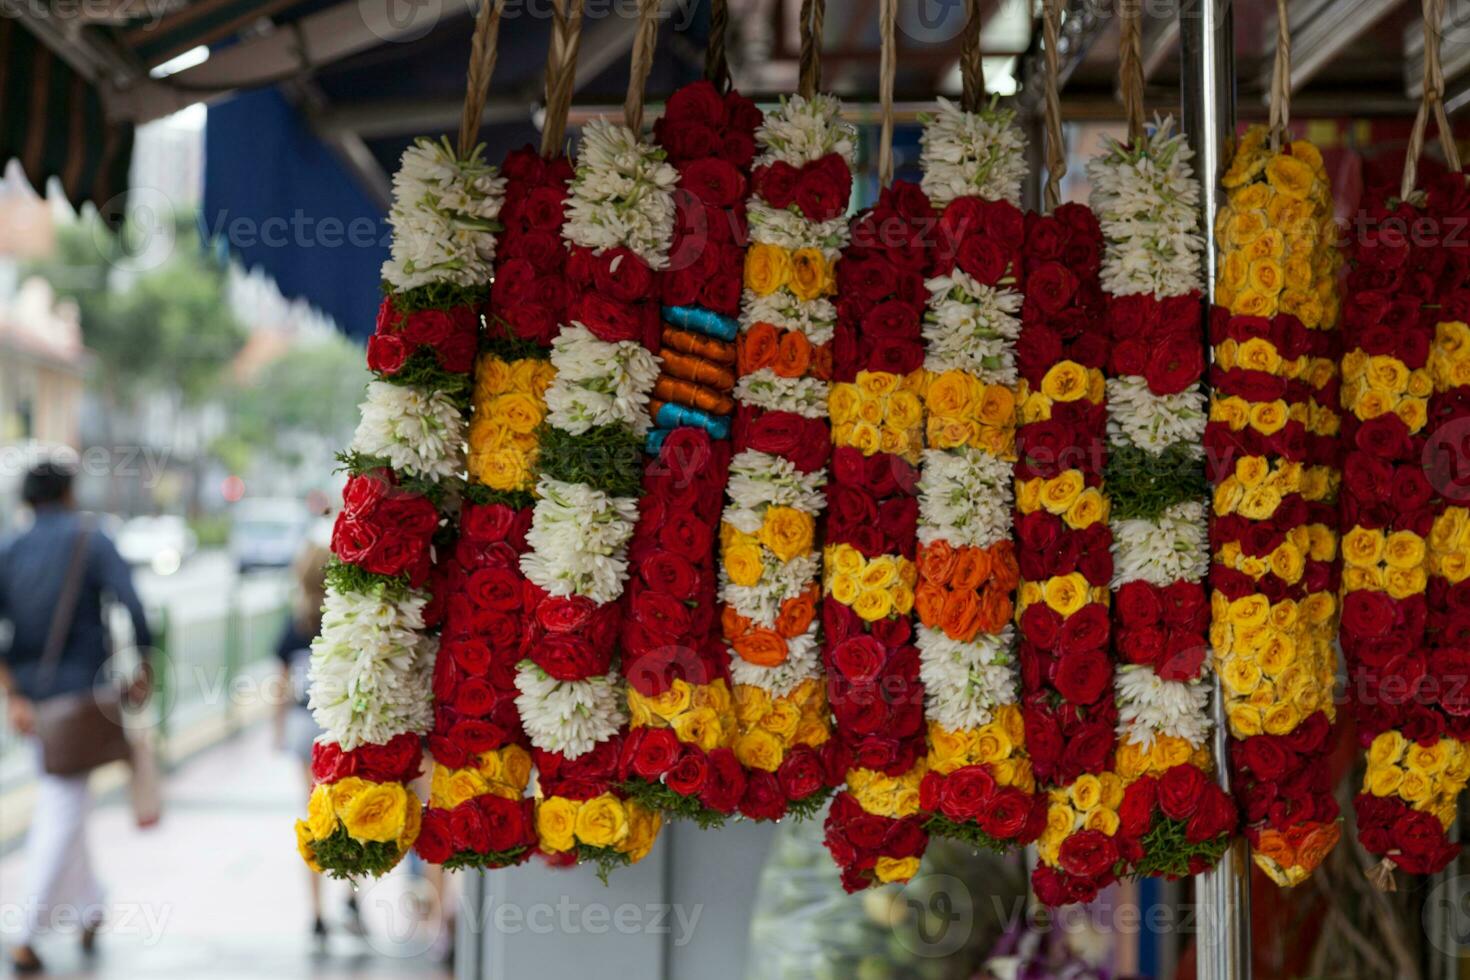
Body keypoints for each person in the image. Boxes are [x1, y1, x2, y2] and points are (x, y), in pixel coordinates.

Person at [0, 458, 153, 975]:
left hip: (32, 704)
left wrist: (12, 697)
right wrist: (144, 664)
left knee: (66, 797)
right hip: (85, 699)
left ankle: (89, 907)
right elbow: (133, 605)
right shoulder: (93, 537)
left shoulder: (9, 547)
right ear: (68, 494)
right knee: (63, 803)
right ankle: (24, 932)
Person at [273, 542, 364, 945]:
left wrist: (275, 730)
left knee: (313, 814)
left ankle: (316, 912)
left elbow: (280, 685)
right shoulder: (343, 620)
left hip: (300, 727)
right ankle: (351, 895)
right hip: (339, 727)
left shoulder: (293, 625)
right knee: (353, 810)